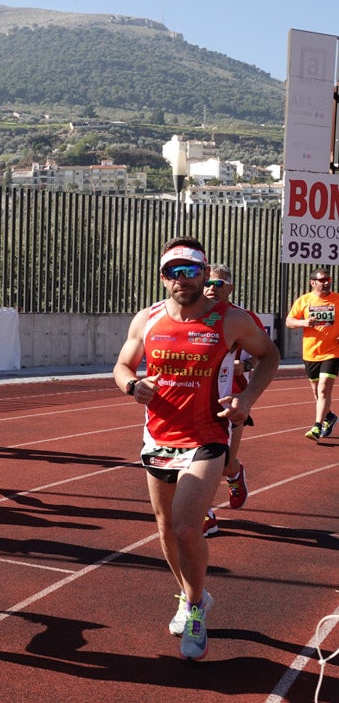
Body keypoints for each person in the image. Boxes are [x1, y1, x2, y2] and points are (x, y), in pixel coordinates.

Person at [114, 237, 278, 661]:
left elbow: (270, 355)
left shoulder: (231, 319)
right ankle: (191, 597)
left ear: (205, 275)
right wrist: (133, 385)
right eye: (173, 271)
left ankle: (195, 606)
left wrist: (246, 400)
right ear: (162, 277)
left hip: (208, 436)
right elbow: (121, 365)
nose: (182, 279)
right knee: (166, 528)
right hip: (158, 437)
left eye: (190, 271)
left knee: (188, 528)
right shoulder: (147, 319)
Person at [200, 264, 263, 537]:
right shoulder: (189, 313)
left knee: (224, 461)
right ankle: (205, 515)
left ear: (231, 288)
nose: (212, 289)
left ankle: (235, 474)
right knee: (195, 461)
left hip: (231, 401)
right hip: (195, 400)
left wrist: (245, 367)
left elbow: (266, 355)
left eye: (219, 284)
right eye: (208, 283)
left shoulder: (241, 317)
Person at [285, 268, 339, 442]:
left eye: (328, 279)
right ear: (312, 282)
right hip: (310, 353)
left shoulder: (337, 300)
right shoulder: (304, 301)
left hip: (332, 352)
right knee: (317, 393)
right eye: (322, 280)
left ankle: (317, 426)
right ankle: (329, 416)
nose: (326, 283)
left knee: (323, 389)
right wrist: (304, 322)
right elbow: (289, 321)